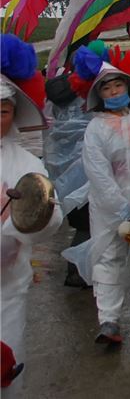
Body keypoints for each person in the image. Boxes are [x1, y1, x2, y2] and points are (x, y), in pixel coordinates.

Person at [63, 47, 130, 345]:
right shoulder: (96, 129)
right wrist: (120, 207)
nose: (113, 91)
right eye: (106, 88)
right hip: (108, 206)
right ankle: (109, 319)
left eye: (118, 84)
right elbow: (97, 172)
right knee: (108, 256)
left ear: (128, 86)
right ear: (99, 95)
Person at [1, 35, 63, 398]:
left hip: (6, 292)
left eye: (2, 111)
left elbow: (53, 218)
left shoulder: (27, 165)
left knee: (7, 371)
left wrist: (22, 216)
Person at [42, 73, 93, 287]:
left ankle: (78, 270)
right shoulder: (85, 116)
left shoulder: (57, 120)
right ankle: (77, 272)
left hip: (66, 185)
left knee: (83, 226)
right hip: (86, 183)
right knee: (88, 227)